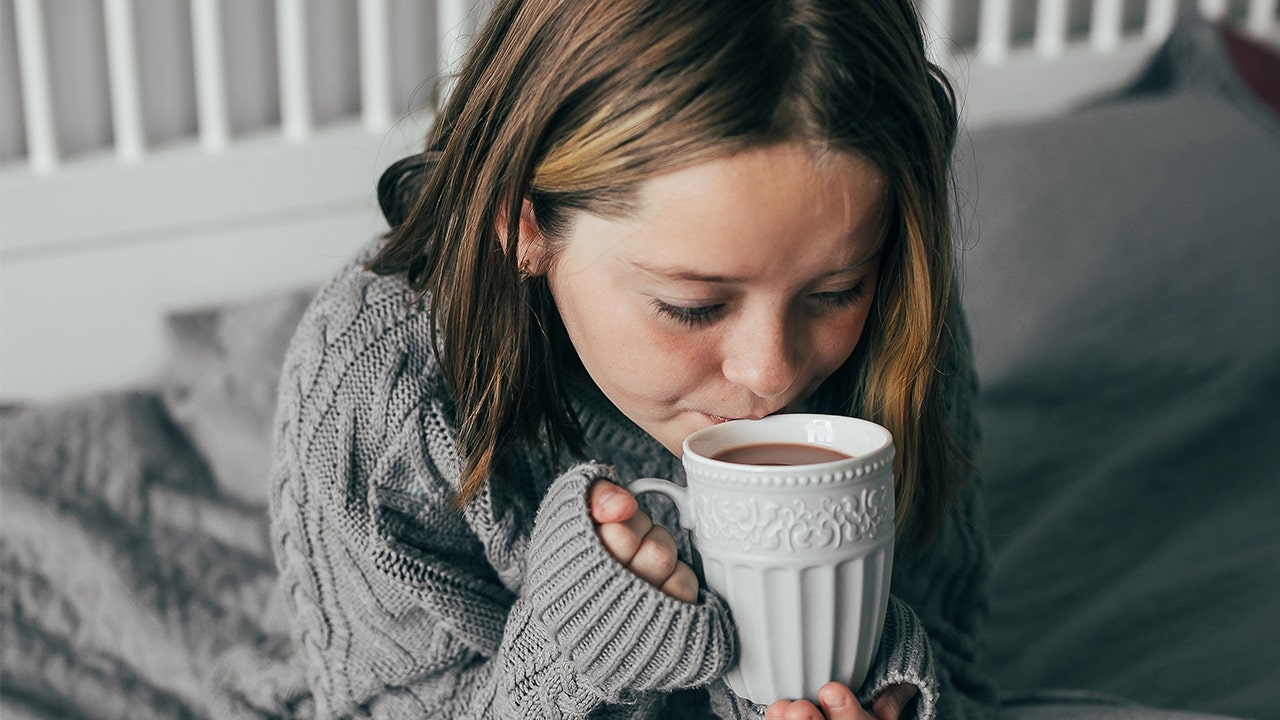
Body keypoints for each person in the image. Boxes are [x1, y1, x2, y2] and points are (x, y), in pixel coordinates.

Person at [264, 0, 990, 718]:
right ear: (521, 223)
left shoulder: (900, 321)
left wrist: (884, 682)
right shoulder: (380, 392)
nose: (771, 374)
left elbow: (956, 649)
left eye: (834, 293)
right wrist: (572, 650)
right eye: (693, 306)